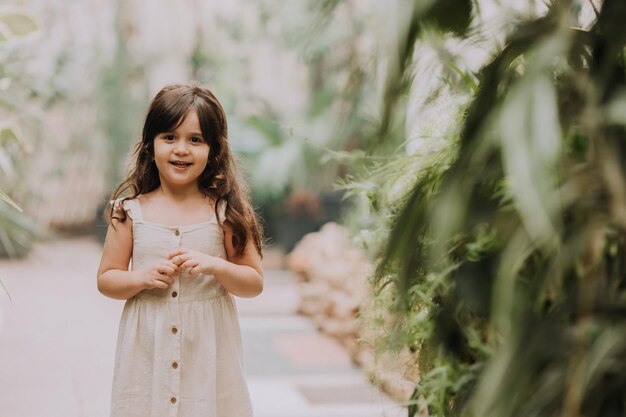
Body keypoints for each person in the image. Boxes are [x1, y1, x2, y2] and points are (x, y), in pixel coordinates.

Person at [97, 82, 263, 417]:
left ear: (213, 149)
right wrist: (141, 278)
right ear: (150, 145)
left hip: (208, 354)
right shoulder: (129, 211)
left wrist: (216, 266)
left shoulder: (226, 212)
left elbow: (253, 282)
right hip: (148, 353)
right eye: (169, 137)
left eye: (195, 139)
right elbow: (106, 279)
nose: (181, 149)